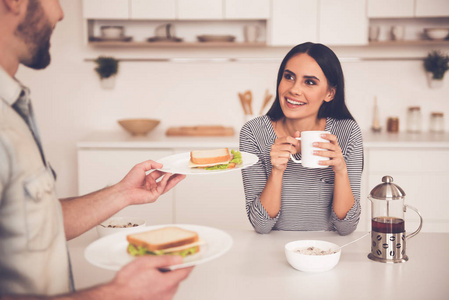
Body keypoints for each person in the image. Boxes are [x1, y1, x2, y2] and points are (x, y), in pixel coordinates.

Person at [0, 0, 192, 299]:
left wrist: (122, 193)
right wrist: (117, 293)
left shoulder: (12, 107)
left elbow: (35, 223)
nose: (62, 13)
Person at [240, 42, 363, 236]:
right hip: (272, 249)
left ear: (330, 93)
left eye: (310, 82)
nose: (294, 90)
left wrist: (340, 171)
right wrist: (277, 171)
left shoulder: (347, 132)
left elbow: (346, 228)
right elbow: (261, 226)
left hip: (328, 249)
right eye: (289, 77)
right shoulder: (253, 132)